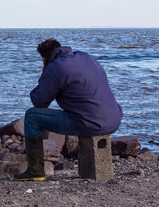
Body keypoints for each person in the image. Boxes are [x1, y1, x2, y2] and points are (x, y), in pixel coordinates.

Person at [14, 38, 123, 181]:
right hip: (114, 120)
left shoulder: (55, 68)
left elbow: (39, 102)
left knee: (32, 117)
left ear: (44, 59)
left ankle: (35, 171)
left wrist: (46, 73)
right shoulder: (86, 57)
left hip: (89, 124)